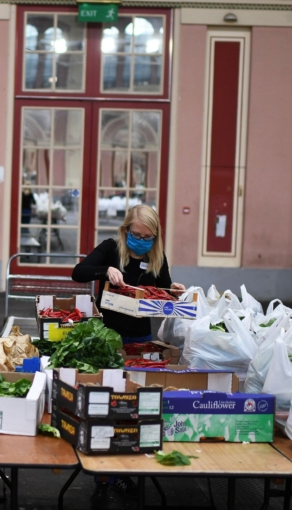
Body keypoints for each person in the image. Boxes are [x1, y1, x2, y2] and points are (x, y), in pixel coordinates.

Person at [72, 204, 185, 509]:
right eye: (135, 234)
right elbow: (78, 271)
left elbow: (162, 294)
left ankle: (129, 470)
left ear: (155, 237)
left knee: (136, 409)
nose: (141, 240)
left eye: (147, 236)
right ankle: (103, 477)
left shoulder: (156, 259)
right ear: (125, 231)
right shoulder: (111, 249)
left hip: (140, 341)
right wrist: (103, 270)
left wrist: (174, 292)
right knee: (106, 407)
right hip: (108, 340)